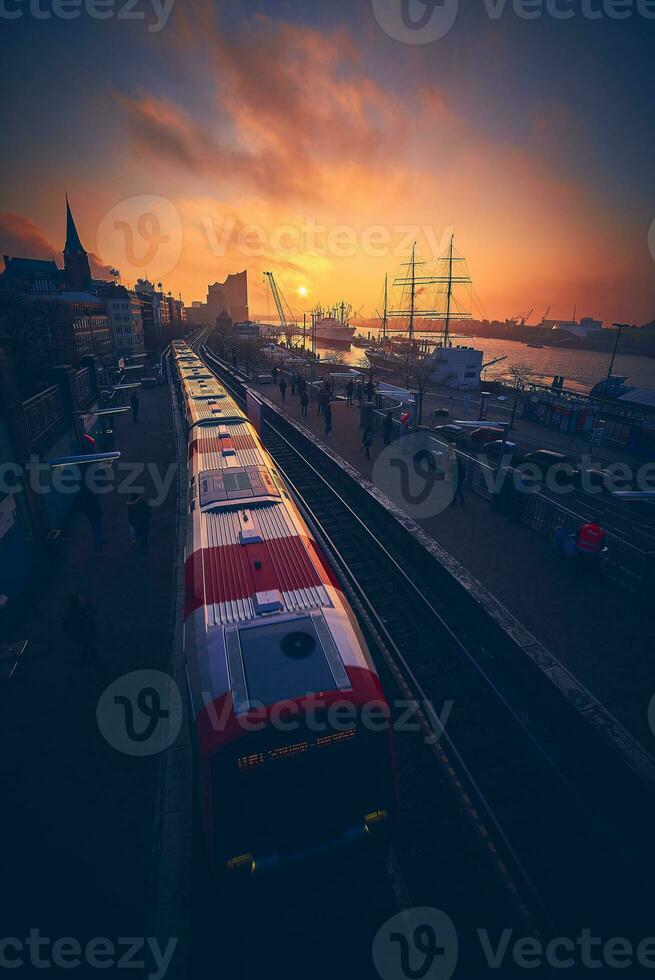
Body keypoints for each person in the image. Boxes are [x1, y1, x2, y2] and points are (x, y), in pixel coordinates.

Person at [63, 593, 101, 666]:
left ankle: (90, 665)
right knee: (90, 651)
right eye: (80, 598)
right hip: (84, 636)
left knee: (89, 651)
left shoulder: (82, 609)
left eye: (82, 598)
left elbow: (93, 615)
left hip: (86, 635)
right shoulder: (75, 613)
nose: (83, 599)